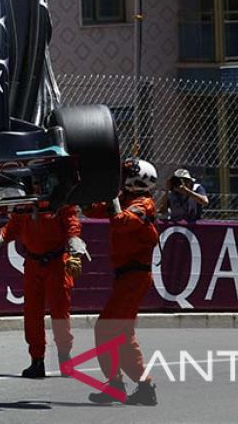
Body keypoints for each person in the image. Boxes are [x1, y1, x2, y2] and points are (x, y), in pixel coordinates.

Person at [0, 200, 87, 379]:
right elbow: (10, 229)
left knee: (60, 313)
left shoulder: (58, 200)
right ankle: (37, 360)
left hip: (57, 263)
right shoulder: (22, 205)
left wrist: (75, 246)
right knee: (32, 314)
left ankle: (64, 355)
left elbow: (72, 223)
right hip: (32, 264)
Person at [85, 159, 160, 406]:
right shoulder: (126, 198)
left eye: (125, 174)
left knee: (105, 328)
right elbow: (92, 211)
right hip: (127, 277)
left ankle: (115, 384)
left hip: (134, 277)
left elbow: (121, 221)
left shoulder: (143, 204)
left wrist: (111, 197)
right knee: (123, 333)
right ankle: (145, 386)